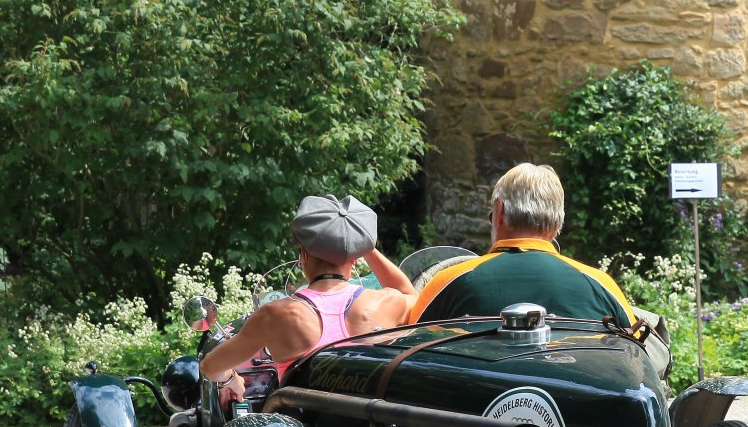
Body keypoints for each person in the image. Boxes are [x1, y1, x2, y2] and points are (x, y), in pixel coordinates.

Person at [204, 194, 418, 405]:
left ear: (303, 256)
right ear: (355, 257)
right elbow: (410, 295)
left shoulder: (274, 315)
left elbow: (210, 367)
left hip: (305, 426)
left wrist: (232, 380)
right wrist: (362, 242)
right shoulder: (384, 303)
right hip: (367, 425)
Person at [408, 163, 637, 326]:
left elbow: (408, 346)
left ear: (499, 211)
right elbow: (638, 351)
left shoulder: (449, 281)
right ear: (558, 222)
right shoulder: (601, 286)